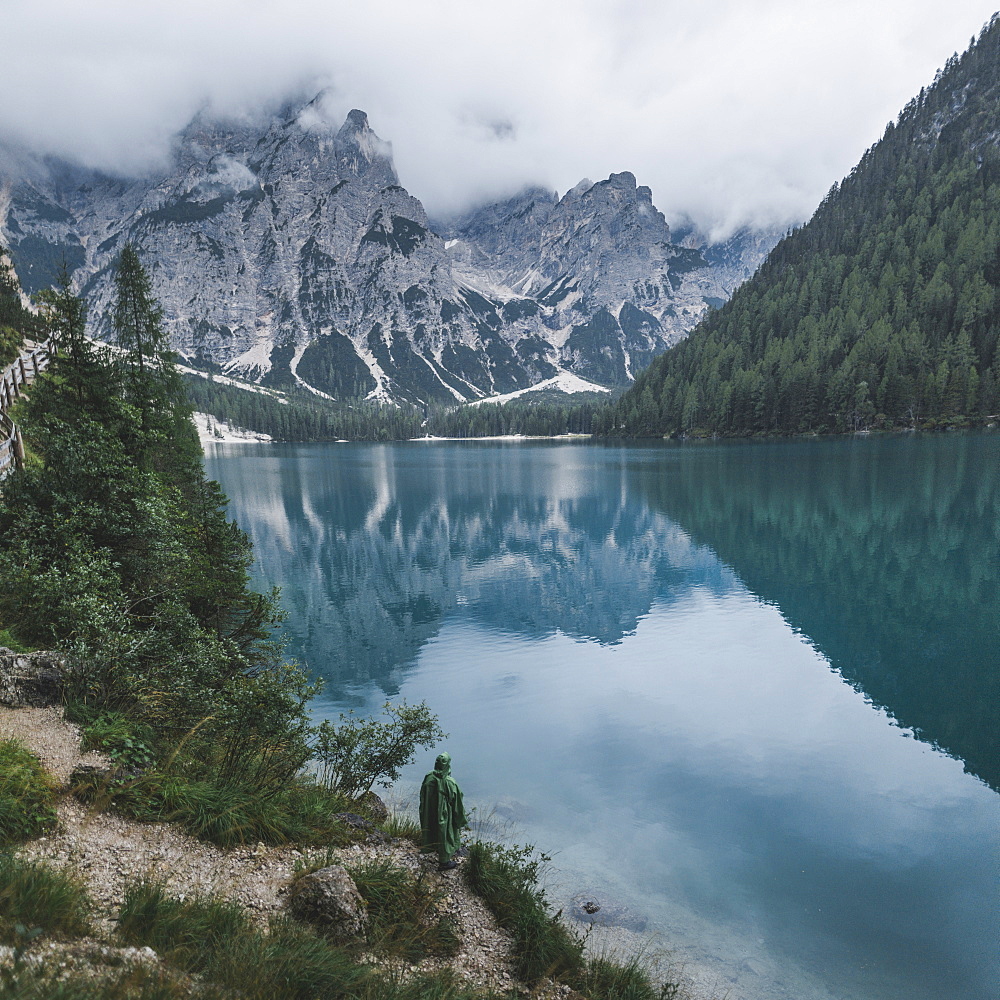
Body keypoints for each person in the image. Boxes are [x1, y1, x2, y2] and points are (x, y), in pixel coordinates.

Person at [419, 751, 467, 870]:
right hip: (444, 814)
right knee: (445, 834)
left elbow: (422, 794)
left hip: (429, 811)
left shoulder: (429, 777)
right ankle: (444, 862)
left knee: (431, 829)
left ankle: (430, 848)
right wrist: (460, 819)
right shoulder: (450, 782)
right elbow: (457, 803)